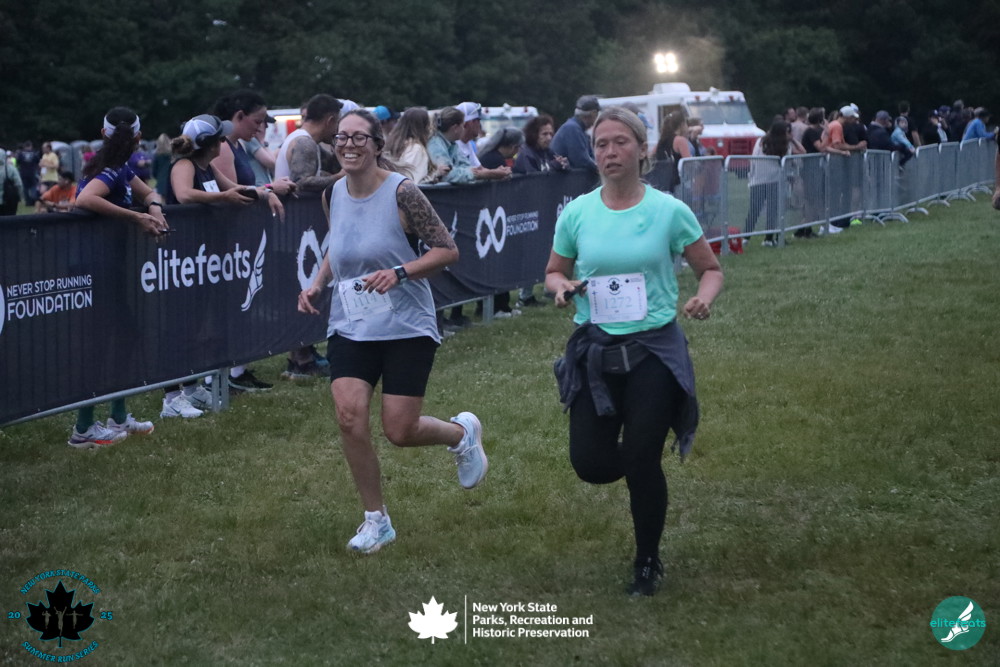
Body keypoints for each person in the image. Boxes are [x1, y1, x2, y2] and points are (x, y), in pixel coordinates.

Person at [545, 106, 723, 597]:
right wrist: (562, 288)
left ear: (642, 149)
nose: (610, 152)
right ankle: (642, 464)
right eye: (601, 144)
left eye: (620, 142)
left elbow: (710, 269)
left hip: (652, 352)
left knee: (642, 460)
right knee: (590, 463)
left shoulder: (668, 210)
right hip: (596, 353)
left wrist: (703, 299)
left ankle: (647, 562)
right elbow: (554, 270)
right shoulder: (578, 212)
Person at [296, 109, 489, 554]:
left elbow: (447, 250)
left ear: (377, 144)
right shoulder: (332, 193)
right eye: (341, 137)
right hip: (351, 322)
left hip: (406, 325)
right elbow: (339, 245)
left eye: (359, 138)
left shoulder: (403, 192)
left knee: (400, 430)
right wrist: (318, 283)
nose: (348, 145)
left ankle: (461, 435)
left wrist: (399, 272)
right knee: (349, 417)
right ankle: (376, 520)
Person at [71, 106, 165, 448]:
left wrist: (153, 207)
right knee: (100, 345)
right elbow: (85, 198)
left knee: (125, 337)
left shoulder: (120, 168)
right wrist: (135, 218)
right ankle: (83, 428)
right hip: (95, 268)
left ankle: (118, 415)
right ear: (139, 137)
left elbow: (149, 192)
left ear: (102, 133)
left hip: (109, 267)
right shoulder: (109, 171)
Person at [211, 89, 291, 392]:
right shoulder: (223, 147)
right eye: (256, 121)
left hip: (240, 240)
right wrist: (270, 190)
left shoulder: (236, 145)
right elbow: (231, 193)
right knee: (230, 305)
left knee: (241, 303)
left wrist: (267, 190)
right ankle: (225, 374)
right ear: (239, 116)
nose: (260, 128)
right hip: (226, 241)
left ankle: (236, 369)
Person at [745, 120, 793, 246]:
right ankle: (768, 238)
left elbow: (753, 160)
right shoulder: (785, 146)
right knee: (772, 210)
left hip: (759, 180)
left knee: (754, 210)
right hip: (774, 180)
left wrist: (751, 175)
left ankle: (746, 237)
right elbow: (787, 163)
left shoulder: (760, 142)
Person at [384, 107, 449, 184]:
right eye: (428, 124)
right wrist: (436, 174)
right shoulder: (416, 149)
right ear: (424, 127)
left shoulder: (393, 144)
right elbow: (412, 182)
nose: (430, 128)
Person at [551, 95, 601, 174]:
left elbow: (591, 156)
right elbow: (581, 160)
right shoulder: (572, 128)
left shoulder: (578, 130)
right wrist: (600, 168)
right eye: (597, 115)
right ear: (593, 113)